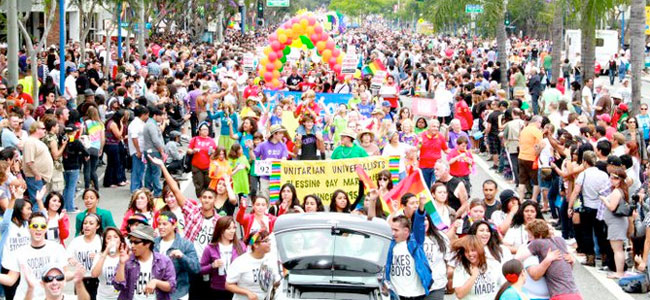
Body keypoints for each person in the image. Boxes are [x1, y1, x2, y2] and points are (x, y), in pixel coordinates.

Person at [0, 211, 71, 300]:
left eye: (42, 226)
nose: (39, 229)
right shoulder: (19, 252)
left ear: (46, 229)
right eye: (35, 226)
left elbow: (65, 273)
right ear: (28, 228)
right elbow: (11, 279)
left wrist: (78, 274)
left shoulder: (57, 248)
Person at [515, 219, 581, 300]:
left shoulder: (537, 243)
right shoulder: (560, 240)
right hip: (575, 293)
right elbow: (567, 262)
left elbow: (518, 258)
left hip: (559, 295)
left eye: (530, 236)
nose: (529, 240)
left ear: (539, 236)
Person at [385, 195, 432, 300]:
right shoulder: (390, 244)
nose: (392, 233)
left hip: (416, 294)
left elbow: (419, 226)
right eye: (392, 230)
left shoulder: (415, 242)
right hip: (396, 295)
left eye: (396, 230)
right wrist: (394, 211)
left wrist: (421, 208)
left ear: (406, 231)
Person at [567, 151, 610, 267]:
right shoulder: (604, 175)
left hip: (587, 207)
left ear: (585, 162)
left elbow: (576, 192)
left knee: (587, 233)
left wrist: (570, 206)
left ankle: (590, 258)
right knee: (601, 233)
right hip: (601, 208)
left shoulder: (583, 175)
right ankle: (605, 257)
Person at [113, 224, 176, 300]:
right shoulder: (127, 260)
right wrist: (122, 264)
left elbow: (171, 286)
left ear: (148, 244)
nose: (132, 245)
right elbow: (118, 286)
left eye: (136, 242)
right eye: (131, 242)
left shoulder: (163, 261)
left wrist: (156, 282)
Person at [153, 211, 200, 300]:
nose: (161, 227)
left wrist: (182, 257)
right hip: (156, 294)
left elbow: (196, 268)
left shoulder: (186, 245)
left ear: (174, 225)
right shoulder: (154, 243)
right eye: (159, 224)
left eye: (165, 224)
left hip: (178, 294)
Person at [200, 217, 247, 298]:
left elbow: (248, 262)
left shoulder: (241, 245)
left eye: (234, 228)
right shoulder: (210, 248)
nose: (232, 231)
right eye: (229, 228)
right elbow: (200, 269)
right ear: (221, 230)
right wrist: (212, 266)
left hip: (237, 288)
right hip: (217, 289)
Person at [225, 230, 279, 300]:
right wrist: (248, 293)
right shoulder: (241, 262)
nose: (269, 243)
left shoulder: (271, 259)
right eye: (265, 241)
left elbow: (275, 280)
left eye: (269, 240)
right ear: (255, 245)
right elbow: (228, 285)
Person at [598, 168, 630, 279]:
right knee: (617, 249)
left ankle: (619, 272)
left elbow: (612, 207)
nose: (612, 180)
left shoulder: (617, 192)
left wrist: (603, 199)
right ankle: (619, 271)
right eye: (611, 177)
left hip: (616, 223)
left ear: (620, 180)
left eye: (615, 178)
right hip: (615, 223)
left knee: (617, 249)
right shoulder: (619, 190)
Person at [452, 235, 504, 300]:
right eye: (466, 251)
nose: (470, 254)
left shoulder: (494, 264)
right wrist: (473, 276)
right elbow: (459, 294)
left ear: (480, 249)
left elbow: (503, 286)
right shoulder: (461, 268)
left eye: (473, 250)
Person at [67, 213, 102, 299]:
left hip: (97, 280)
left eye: (91, 223)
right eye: (85, 223)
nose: (87, 226)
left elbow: (110, 257)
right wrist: (72, 260)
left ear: (97, 226)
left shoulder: (101, 240)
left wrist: (99, 257)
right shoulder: (76, 241)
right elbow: (67, 255)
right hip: (81, 279)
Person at [22, 121, 53, 209]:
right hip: (35, 177)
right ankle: (36, 219)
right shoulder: (30, 142)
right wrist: (37, 174)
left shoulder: (35, 141)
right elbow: (29, 161)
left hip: (39, 177)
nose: (45, 131)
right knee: (37, 202)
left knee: (40, 201)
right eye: (43, 129)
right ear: (36, 129)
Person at [90, 227, 125, 300]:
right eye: (109, 238)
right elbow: (94, 274)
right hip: (103, 297)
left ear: (120, 240)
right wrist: (105, 252)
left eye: (115, 237)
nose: (113, 240)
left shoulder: (125, 256)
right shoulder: (100, 256)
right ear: (105, 242)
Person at [62, 124, 89, 212]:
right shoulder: (76, 142)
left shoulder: (63, 140)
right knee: (71, 187)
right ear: (74, 132)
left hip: (65, 165)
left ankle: (65, 205)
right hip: (74, 165)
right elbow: (84, 150)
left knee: (66, 186)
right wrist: (86, 155)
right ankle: (70, 206)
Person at [517, 116, 544, 202]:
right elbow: (539, 145)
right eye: (540, 123)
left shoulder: (524, 129)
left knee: (522, 180)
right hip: (532, 158)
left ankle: (520, 199)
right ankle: (534, 199)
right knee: (536, 180)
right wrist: (537, 153)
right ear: (538, 122)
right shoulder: (536, 131)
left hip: (521, 156)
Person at [142, 106, 167, 197]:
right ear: (155, 115)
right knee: (156, 172)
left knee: (149, 170)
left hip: (149, 150)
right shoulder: (151, 125)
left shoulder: (150, 123)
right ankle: (158, 191)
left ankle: (147, 188)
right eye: (161, 116)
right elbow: (155, 140)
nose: (162, 118)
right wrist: (161, 151)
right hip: (153, 150)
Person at [188, 122, 217, 197]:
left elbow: (216, 153)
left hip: (208, 167)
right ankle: (201, 201)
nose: (205, 131)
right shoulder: (195, 139)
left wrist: (213, 153)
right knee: (199, 186)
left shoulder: (211, 141)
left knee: (209, 186)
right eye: (203, 129)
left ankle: (209, 201)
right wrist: (193, 151)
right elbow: (188, 150)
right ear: (199, 131)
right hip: (196, 167)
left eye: (207, 129)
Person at [419, 119, 448, 188]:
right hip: (424, 166)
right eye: (434, 126)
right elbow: (416, 150)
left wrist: (457, 152)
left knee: (435, 186)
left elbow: (446, 150)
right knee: (426, 187)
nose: (436, 128)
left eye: (437, 127)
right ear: (428, 127)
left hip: (436, 167)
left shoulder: (440, 136)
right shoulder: (421, 136)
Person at [82, 106, 105, 191]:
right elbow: (102, 138)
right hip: (96, 147)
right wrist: (101, 149)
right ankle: (96, 186)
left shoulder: (85, 123)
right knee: (93, 169)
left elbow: (82, 135)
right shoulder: (100, 124)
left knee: (86, 168)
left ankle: (87, 187)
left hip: (87, 147)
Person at [128, 105, 149, 192]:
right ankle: (135, 188)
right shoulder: (134, 124)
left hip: (142, 149)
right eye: (147, 115)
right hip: (137, 150)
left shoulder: (141, 123)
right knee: (137, 170)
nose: (147, 117)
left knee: (141, 169)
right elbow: (134, 137)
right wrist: (138, 151)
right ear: (143, 114)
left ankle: (139, 186)